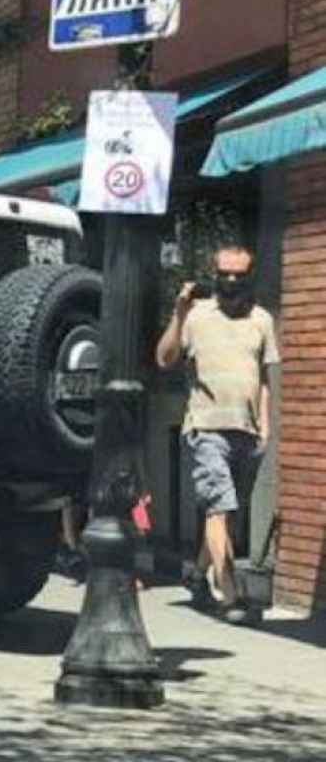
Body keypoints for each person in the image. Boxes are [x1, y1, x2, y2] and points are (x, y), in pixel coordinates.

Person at [155, 243, 279, 624]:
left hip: (247, 430)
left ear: (249, 276)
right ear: (214, 274)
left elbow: (262, 379)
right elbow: (164, 358)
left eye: (238, 275)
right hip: (206, 426)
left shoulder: (262, 320)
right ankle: (230, 595)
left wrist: (265, 424)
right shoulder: (196, 316)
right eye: (223, 274)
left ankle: (196, 574)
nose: (229, 281)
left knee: (227, 511)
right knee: (218, 508)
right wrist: (178, 314)